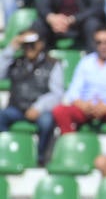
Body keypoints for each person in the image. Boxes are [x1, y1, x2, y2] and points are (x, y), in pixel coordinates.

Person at [52, 25, 106, 147]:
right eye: (99, 42)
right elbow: (73, 92)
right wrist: (84, 105)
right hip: (87, 107)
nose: (103, 46)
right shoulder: (86, 62)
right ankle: (71, 147)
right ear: (94, 43)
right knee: (59, 111)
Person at [0, 31, 62, 166]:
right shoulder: (15, 62)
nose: (29, 48)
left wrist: (38, 107)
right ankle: (6, 151)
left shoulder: (52, 64)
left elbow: (57, 94)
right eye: (26, 45)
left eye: (32, 44)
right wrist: (11, 48)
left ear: (41, 44)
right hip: (16, 108)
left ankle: (40, 159)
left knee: (47, 121)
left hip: (40, 110)